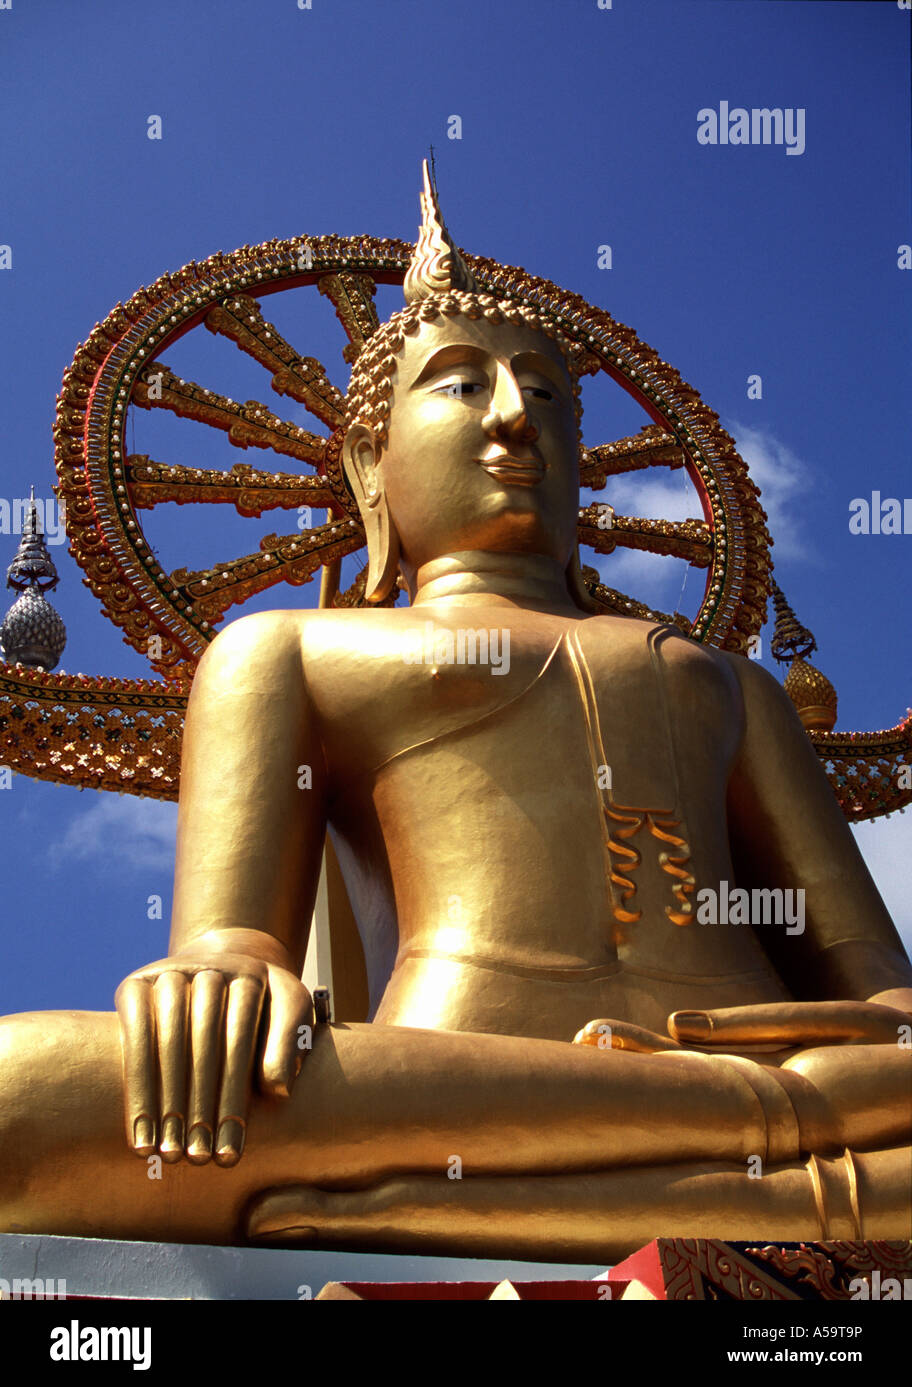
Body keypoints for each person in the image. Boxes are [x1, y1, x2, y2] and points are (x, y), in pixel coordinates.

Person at [0, 168, 909, 1260]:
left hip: (756, 1068)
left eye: (550, 395)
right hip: (451, 1076)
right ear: (368, 464)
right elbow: (233, 941)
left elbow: (885, 1002)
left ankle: (736, 1152)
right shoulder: (288, 651)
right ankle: (778, 1163)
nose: (517, 418)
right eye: (462, 386)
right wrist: (223, 970)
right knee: (25, 1093)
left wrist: (857, 1066)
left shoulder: (726, 682)